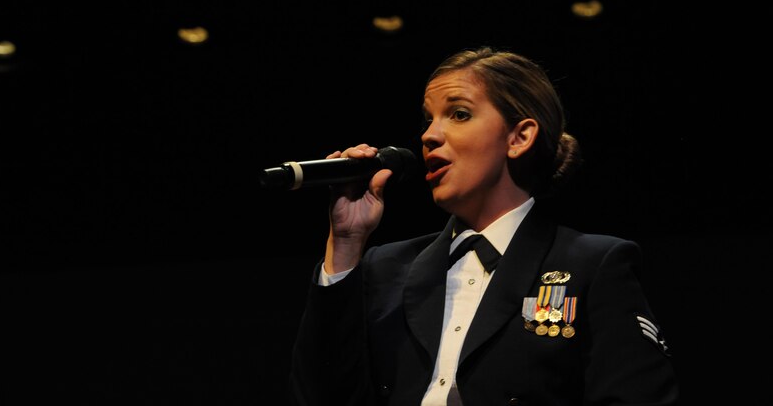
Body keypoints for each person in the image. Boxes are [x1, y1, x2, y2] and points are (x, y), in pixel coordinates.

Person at [287, 46, 678, 406]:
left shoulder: (593, 264)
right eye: (428, 119)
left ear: (519, 136)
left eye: (458, 114)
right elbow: (322, 397)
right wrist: (345, 243)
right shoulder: (386, 268)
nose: (428, 135)